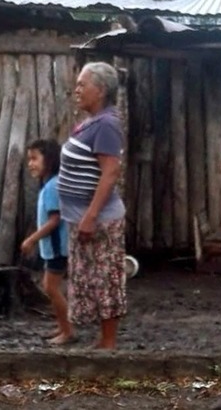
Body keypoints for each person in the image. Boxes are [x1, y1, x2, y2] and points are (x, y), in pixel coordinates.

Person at [57, 61, 127, 350]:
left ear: (100, 91)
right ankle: (101, 340)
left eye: (82, 84)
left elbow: (111, 172)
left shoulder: (108, 124)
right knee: (90, 277)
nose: (77, 89)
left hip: (99, 219)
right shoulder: (91, 122)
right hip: (81, 216)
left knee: (105, 278)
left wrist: (91, 215)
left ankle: (108, 343)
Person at [21, 138, 73, 346]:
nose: (30, 164)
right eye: (29, 160)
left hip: (57, 246)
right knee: (51, 287)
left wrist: (31, 239)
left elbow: (55, 219)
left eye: (34, 159)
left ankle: (68, 331)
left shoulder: (53, 186)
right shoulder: (50, 184)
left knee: (51, 288)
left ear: (49, 160)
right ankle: (63, 325)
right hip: (53, 247)